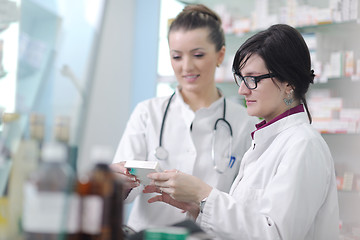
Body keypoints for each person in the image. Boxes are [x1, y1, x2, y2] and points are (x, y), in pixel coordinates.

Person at [145, 24, 340, 240]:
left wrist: (205, 194)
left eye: (252, 79)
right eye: (242, 78)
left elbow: (276, 234)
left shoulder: (303, 145)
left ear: (289, 83)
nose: (242, 90)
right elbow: (249, 224)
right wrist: (199, 207)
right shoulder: (267, 141)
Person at [110, 4, 258, 231]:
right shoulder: (147, 113)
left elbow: (245, 204)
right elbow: (122, 193)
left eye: (198, 55)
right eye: (176, 56)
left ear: (220, 55)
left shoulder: (245, 122)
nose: (187, 66)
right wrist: (119, 183)